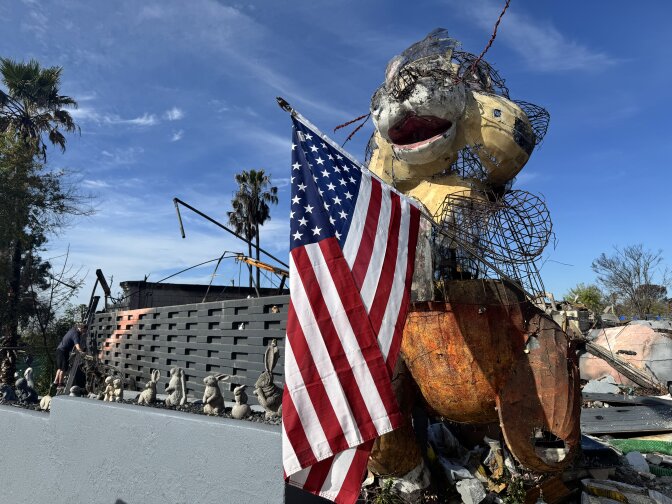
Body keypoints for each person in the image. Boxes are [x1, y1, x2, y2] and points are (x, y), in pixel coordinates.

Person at [54, 323, 85, 388]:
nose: (84, 332)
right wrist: (81, 352)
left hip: (59, 350)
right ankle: (60, 384)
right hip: (63, 351)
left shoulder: (72, 330)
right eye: (84, 330)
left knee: (59, 368)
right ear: (81, 328)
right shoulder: (76, 334)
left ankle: (55, 382)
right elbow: (77, 345)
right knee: (63, 369)